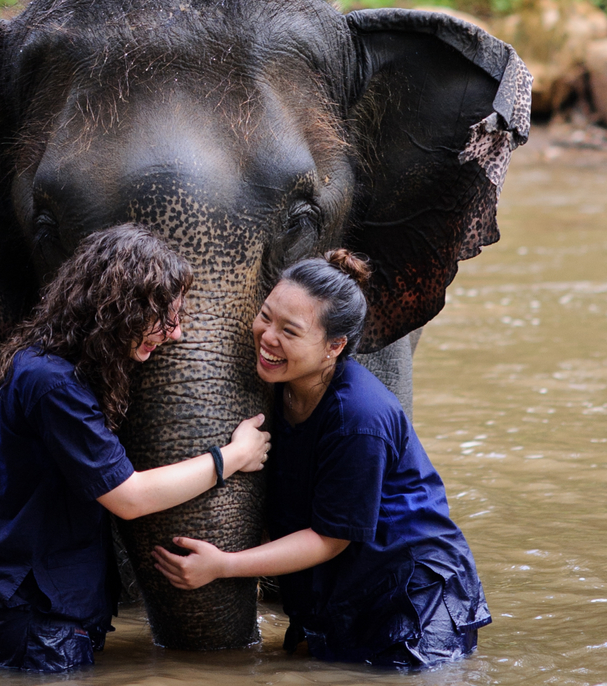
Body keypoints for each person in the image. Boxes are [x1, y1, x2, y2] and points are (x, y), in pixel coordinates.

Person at [0, 224, 271, 673]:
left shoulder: (54, 362)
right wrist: (232, 457)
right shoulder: (52, 384)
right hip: (29, 610)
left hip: (31, 596)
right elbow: (130, 497)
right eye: (166, 318)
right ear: (117, 309)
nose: (176, 334)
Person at [152, 250, 490, 669]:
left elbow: (331, 538)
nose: (267, 336)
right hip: (345, 587)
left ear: (335, 346)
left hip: (414, 602)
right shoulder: (280, 385)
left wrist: (224, 566)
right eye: (265, 316)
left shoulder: (358, 418)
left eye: (289, 331)